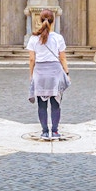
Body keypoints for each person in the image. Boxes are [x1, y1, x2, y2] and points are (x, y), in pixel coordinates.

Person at [27, 9, 70, 140]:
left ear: (39, 20)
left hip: (40, 72)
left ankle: (45, 131)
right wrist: (67, 73)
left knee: (42, 104)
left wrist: (31, 74)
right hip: (55, 72)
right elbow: (62, 58)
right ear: (53, 21)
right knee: (56, 103)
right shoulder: (58, 38)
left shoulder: (33, 38)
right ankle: (55, 131)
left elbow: (31, 59)